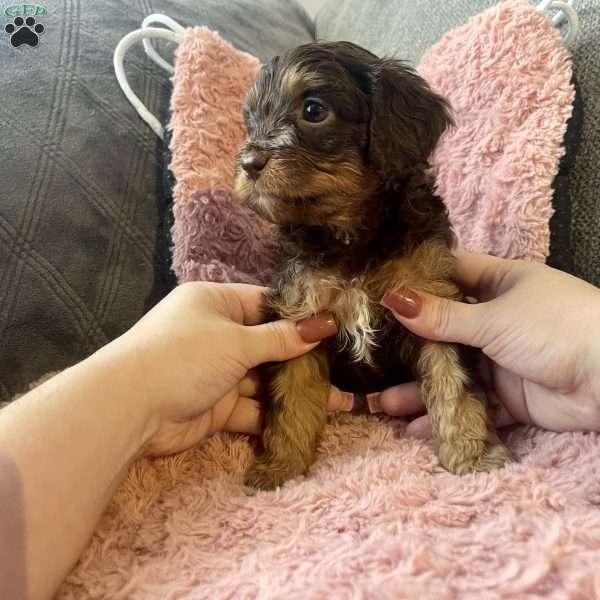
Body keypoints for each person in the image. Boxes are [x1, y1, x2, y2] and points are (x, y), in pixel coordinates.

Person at [1, 251, 599, 600]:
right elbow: (294, 357)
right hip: (357, 398)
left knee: (445, 346)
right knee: (295, 354)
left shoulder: (422, 242)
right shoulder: (299, 252)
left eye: (313, 112)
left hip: (453, 394)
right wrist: (138, 389)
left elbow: (450, 340)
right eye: (253, 129)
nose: (257, 152)